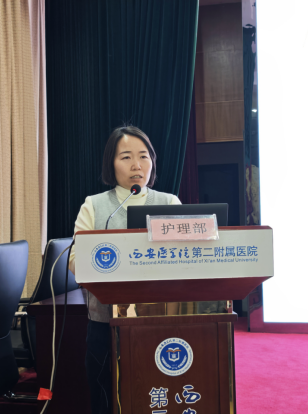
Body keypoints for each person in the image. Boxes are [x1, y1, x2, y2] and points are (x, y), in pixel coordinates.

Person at [68, 126, 181, 414]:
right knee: (106, 399)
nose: (136, 165)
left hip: (160, 322)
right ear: (111, 163)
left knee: (156, 397)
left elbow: (185, 261)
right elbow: (75, 261)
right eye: (126, 157)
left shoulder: (169, 203)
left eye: (143, 156)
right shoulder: (94, 206)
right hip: (105, 325)